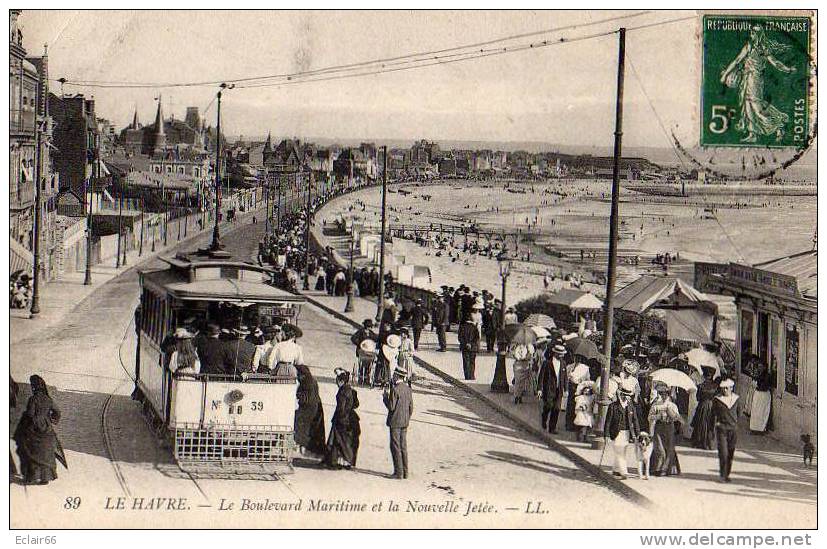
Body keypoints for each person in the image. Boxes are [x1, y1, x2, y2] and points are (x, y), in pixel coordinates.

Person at [13, 375, 66, 485]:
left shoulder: (33, 399)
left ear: (34, 387)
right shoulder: (48, 399)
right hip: (47, 429)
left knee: (28, 449)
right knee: (46, 453)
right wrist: (52, 420)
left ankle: (31, 477)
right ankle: (45, 478)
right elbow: (58, 412)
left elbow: (30, 413)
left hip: (34, 428)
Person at [324, 368, 361, 470]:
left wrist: (340, 418)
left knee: (338, 441)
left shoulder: (342, 392)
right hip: (351, 419)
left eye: (337, 380)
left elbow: (341, 408)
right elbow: (356, 404)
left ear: (341, 381)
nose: (336, 382)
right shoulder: (351, 390)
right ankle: (345, 462)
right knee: (345, 442)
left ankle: (334, 461)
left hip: (342, 419)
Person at [383, 366, 414, 479]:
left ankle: (398, 472)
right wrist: (406, 418)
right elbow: (411, 407)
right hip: (405, 421)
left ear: (397, 376)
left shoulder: (395, 390)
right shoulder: (408, 389)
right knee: (403, 446)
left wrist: (385, 397)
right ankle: (405, 472)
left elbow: (391, 407)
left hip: (395, 422)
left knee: (395, 446)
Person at [604, 385, 640, 480]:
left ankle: (616, 469)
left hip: (627, 433)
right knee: (620, 452)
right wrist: (606, 435)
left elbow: (635, 420)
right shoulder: (613, 406)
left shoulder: (631, 407)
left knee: (622, 451)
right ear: (621, 395)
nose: (627, 398)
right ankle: (624, 472)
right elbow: (608, 421)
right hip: (616, 432)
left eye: (629, 396)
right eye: (625, 395)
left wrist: (637, 434)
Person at [647, 383, 683, 476]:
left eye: (665, 394)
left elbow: (678, 418)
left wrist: (671, 414)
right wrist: (657, 416)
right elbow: (649, 417)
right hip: (659, 427)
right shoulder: (656, 405)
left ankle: (665, 469)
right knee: (659, 449)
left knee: (669, 448)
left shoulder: (672, 405)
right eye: (662, 393)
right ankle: (657, 468)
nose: (664, 396)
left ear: (668, 394)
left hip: (669, 427)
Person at [711, 378, 740, 483]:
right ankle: (722, 475)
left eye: (727, 388)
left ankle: (727, 474)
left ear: (731, 388)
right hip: (722, 429)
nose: (725, 390)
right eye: (723, 388)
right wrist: (714, 426)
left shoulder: (736, 399)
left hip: (733, 429)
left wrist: (735, 424)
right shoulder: (717, 399)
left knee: (730, 453)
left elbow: (738, 413)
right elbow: (712, 414)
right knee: (723, 452)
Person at [294, 365, 326, 458]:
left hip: (308, 409)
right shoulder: (313, 380)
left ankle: (301, 449)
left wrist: (298, 395)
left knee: (298, 426)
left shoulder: (306, 383)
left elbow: (305, 399)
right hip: (316, 408)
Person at [537, 344, 566, 434]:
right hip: (548, 389)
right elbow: (541, 376)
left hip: (559, 389)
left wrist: (566, 389)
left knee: (556, 408)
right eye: (560, 354)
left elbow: (565, 377)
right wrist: (539, 389)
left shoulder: (563, 363)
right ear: (555, 353)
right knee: (548, 406)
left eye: (562, 354)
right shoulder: (547, 363)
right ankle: (544, 418)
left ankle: (552, 428)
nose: (562, 356)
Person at [691, 367, 719, 450]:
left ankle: (699, 442)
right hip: (711, 406)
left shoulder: (701, 386)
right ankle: (708, 443)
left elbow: (697, 398)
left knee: (700, 423)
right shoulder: (715, 386)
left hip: (702, 405)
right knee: (710, 424)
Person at [565, 354, 591, 431]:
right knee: (570, 406)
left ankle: (576, 425)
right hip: (571, 387)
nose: (577, 359)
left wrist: (582, 382)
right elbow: (565, 377)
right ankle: (569, 424)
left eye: (579, 358)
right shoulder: (570, 366)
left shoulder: (585, 368)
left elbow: (588, 379)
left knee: (577, 406)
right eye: (576, 357)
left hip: (580, 387)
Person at [749, 360, 773, 434]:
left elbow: (765, 386)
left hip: (763, 395)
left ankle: (761, 428)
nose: (759, 368)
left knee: (762, 411)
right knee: (755, 411)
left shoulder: (767, 375)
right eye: (758, 366)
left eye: (761, 367)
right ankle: (754, 428)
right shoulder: (758, 374)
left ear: (764, 367)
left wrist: (758, 384)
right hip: (758, 394)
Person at [457, 316, 480, 380]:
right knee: (472, 362)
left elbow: (460, 337)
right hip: (473, 347)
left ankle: (467, 376)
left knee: (466, 361)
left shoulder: (462, 327)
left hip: (464, 347)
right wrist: (471, 343)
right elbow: (477, 337)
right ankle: (472, 376)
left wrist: (466, 343)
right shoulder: (474, 327)